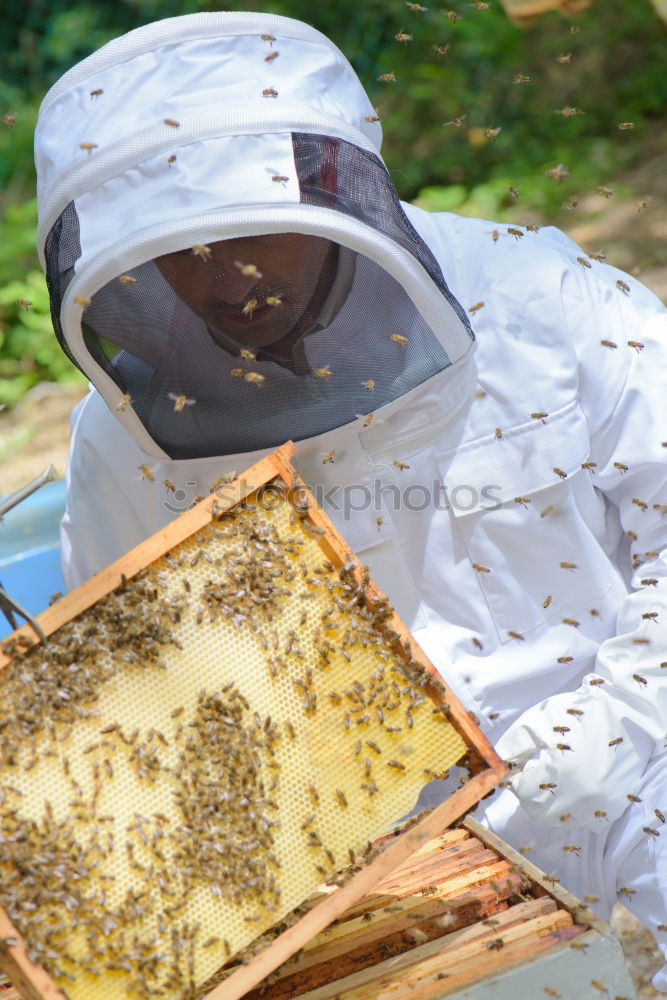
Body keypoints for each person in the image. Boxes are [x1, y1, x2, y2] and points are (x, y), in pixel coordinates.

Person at [35, 11, 667, 990]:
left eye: (249, 230)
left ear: (331, 186)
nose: (224, 279)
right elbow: (138, 700)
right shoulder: (126, 436)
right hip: (359, 862)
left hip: (631, 769)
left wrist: (573, 767)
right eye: (182, 249)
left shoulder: (546, 302)